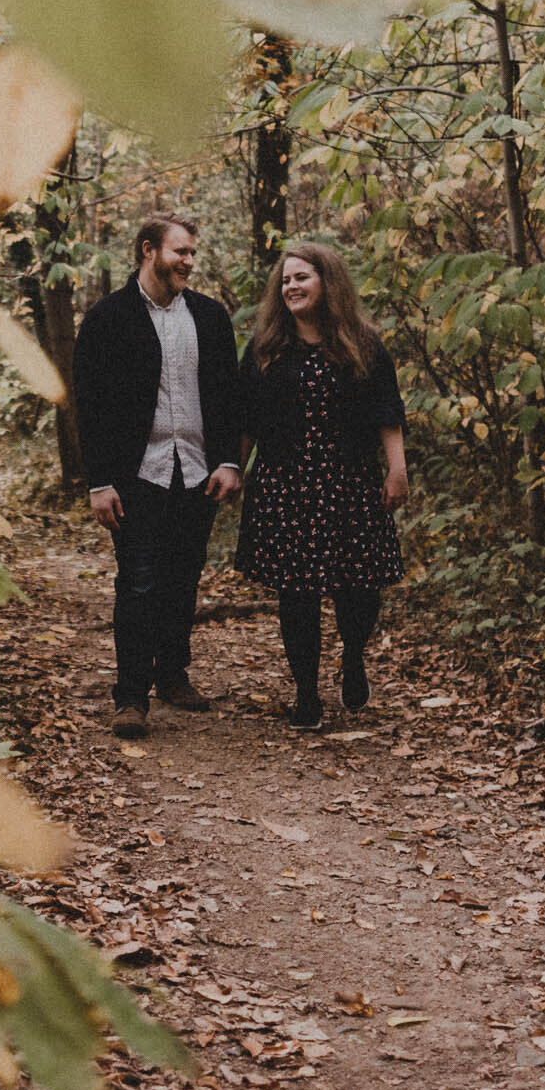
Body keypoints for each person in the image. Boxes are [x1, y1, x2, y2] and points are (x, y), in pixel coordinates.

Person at [71, 214, 244, 740]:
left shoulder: (211, 318)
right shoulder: (108, 317)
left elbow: (227, 396)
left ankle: (172, 675)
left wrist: (230, 461)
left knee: (182, 578)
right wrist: (100, 480)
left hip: (197, 472)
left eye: (193, 252)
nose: (189, 262)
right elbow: (89, 405)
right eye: (180, 252)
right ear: (148, 250)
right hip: (136, 476)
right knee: (139, 581)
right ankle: (129, 696)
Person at [235, 241, 409, 732]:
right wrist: (231, 469)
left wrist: (397, 470)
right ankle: (306, 692)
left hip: (350, 483)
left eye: (301, 277)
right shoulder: (267, 347)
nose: (291, 286)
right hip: (284, 486)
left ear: (326, 282)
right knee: (296, 594)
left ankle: (353, 656)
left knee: (360, 589)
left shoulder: (363, 342)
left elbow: (387, 412)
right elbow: (246, 418)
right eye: (286, 280)